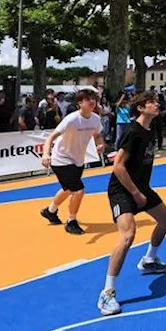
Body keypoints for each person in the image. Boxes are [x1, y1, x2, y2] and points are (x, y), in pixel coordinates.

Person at [99, 91, 166, 316]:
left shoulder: (150, 131)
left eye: (156, 102)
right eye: (151, 102)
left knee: (165, 220)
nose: (156, 104)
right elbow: (118, 166)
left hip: (141, 187)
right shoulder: (133, 131)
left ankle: (149, 260)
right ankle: (107, 292)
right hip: (122, 189)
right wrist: (135, 193)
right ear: (140, 108)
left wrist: (142, 191)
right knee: (128, 235)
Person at [40, 89, 105, 236]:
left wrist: (100, 144)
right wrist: (45, 154)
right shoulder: (72, 119)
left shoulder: (95, 119)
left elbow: (97, 135)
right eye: (88, 99)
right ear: (80, 103)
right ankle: (71, 221)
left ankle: (50, 211)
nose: (92, 102)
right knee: (78, 190)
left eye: (93, 99)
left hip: (78, 159)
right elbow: (51, 137)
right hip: (61, 159)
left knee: (68, 189)